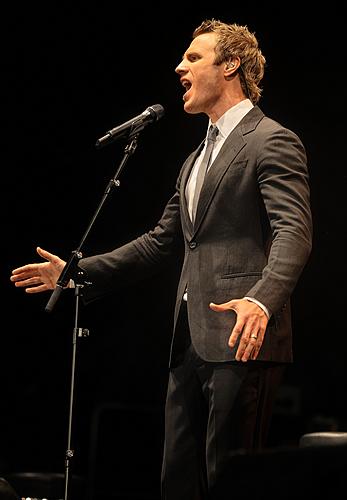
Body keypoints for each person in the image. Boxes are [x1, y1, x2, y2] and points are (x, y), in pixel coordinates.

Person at [10, 18, 312, 500]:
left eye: (193, 58)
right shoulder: (194, 159)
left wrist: (261, 301)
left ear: (231, 64)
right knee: (176, 481)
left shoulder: (271, 139)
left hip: (242, 335)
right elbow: (160, 241)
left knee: (230, 482)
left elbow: (294, 232)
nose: (179, 66)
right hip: (188, 341)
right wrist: (75, 273)